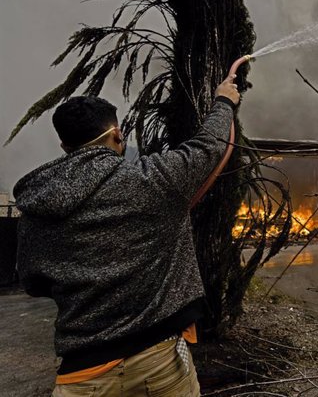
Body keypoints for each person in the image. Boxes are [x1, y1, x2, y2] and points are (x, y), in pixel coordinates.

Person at [13, 74, 240, 397]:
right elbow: (208, 146)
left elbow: (33, 283)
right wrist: (223, 100)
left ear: (65, 146)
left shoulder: (37, 204)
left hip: (81, 375)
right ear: (117, 134)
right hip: (158, 365)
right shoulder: (152, 179)